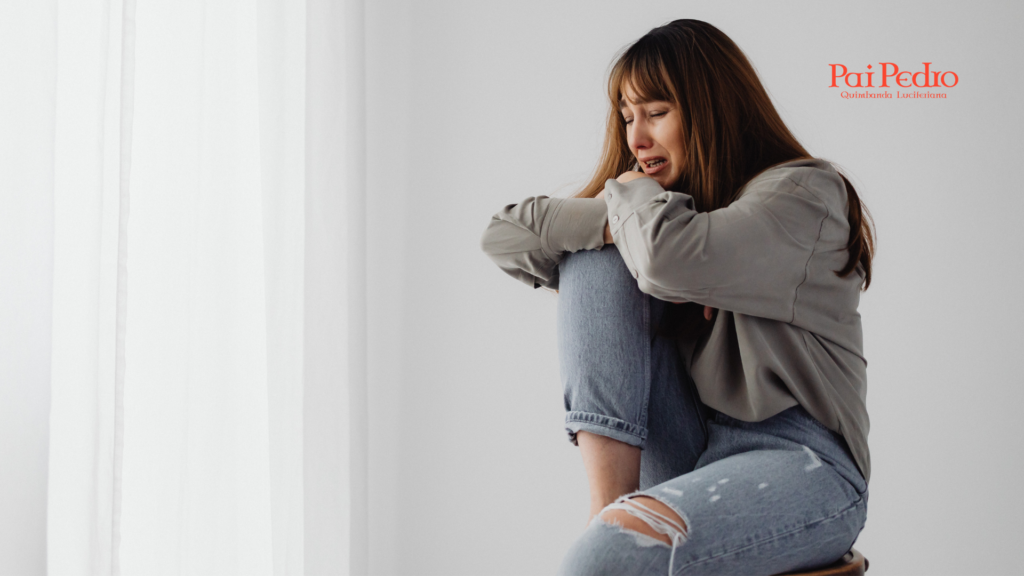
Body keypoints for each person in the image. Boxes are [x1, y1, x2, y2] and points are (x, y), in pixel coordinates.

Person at [479, 18, 874, 576]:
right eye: (627, 117)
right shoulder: (667, 219)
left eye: (656, 113)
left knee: (608, 557)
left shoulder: (806, 194)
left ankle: (607, 540)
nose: (636, 140)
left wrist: (634, 198)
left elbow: (666, 258)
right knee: (597, 256)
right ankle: (606, 509)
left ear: (713, 108)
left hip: (803, 464)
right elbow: (503, 235)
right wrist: (627, 222)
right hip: (686, 447)